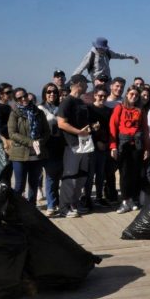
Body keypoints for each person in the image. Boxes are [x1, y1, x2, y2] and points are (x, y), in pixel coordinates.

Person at [56, 74, 93, 218]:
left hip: (85, 144)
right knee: (70, 176)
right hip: (72, 145)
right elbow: (61, 123)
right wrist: (79, 132)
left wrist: (90, 128)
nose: (87, 86)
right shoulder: (67, 102)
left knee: (82, 175)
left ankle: (74, 203)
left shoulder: (81, 101)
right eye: (85, 83)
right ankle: (64, 207)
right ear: (78, 84)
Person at [110, 85, 150, 213]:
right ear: (127, 94)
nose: (133, 96)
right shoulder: (119, 108)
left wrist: (147, 148)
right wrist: (113, 146)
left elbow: (145, 130)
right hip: (123, 144)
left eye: (136, 95)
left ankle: (132, 199)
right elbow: (113, 127)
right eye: (131, 94)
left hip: (137, 144)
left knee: (135, 173)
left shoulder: (140, 110)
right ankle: (125, 200)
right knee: (124, 173)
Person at [8, 88, 50, 206]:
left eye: (24, 96)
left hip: (36, 154)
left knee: (34, 184)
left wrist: (40, 142)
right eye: (19, 98)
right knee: (19, 185)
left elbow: (46, 131)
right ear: (16, 100)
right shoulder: (15, 113)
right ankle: (16, 209)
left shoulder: (38, 112)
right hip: (20, 155)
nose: (23, 99)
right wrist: (31, 142)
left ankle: (31, 209)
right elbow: (13, 134)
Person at [37, 83, 64, 216]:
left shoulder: (61, 107)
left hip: (62, 143)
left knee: (60, 175)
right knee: (52, 176)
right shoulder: (40, 109)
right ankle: (51, 205)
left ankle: (58, 201)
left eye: (54, 92)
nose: (52, 94)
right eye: (49, 92)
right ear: (44, 94)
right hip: (49, 144)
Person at [86, 85, 113, 208]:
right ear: (95, 95)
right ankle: (87, 197)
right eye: (99, 95)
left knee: (101, 174)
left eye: (104, 96)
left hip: (104, 146)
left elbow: (110, 130)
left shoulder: (108, 111)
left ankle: (99, 197)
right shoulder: (89, 109)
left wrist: (106, 143)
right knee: (90, 174)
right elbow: (86, 128)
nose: (102, 98)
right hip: (91, 145)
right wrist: (97, 141)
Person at [73, 37, 139, 81]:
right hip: (97, 81)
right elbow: (80, 68)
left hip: (108, 80)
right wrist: (73, 80)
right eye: (101, 48)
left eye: (104, 48)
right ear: (97, 47)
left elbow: (119, 55)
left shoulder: (107, 53)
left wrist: (131, 57)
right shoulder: (91, 55)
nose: (103, 50)